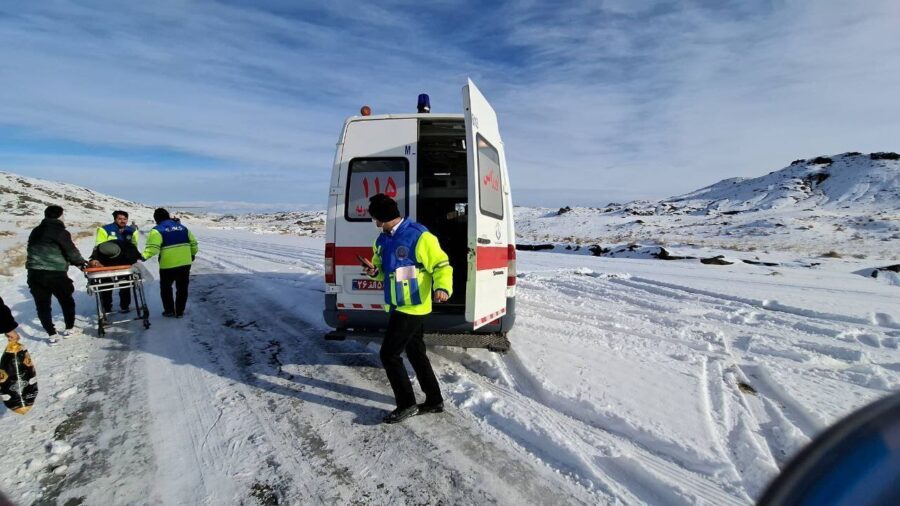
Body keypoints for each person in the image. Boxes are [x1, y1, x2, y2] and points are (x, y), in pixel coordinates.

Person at [363, 194, 453, 424]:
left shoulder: (420, 236)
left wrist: (442, 287)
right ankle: (434, 400)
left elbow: (442, 264)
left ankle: (407, 404)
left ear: (383, 217)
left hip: (413, 305)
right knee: (415, 352)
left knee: (388, 354)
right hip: (397, 303)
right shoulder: (382, 239)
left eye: (375, 218)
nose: (374, 223)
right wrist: (374, 271)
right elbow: (383, 269)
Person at [25, 205, 87, 341]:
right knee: (66, 301)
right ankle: (69, 328)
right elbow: (70, 251)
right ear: (60, 216)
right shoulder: (60, 232)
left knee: (42, 305)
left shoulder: (35, 231)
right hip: (55, 273)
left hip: (34, 273)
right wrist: (82, 264)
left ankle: (52, 334)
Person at [142, 208, 198, 318]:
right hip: (185, 264)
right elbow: (194, 244)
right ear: (168, 216)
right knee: (182, 289)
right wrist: (192, 254)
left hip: (168, 266)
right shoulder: (183, 228)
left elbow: (153, 248)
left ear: (156, 219)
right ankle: (180, 312)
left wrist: (143, 257)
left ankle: (169, 311)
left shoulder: (157, 230)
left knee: (166, 288)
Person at [93, 210, 140, 314]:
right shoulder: (105, 229)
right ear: (115, 219)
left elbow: (134, 246)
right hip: (107, 262)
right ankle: (106, 307)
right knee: (106, 285)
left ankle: (125, 306)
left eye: (125, 219)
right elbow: (99, 246)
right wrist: (95, 259)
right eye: (120, 219)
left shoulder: (132, 231)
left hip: (124, 263)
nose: (122, 221)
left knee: (125, 285)